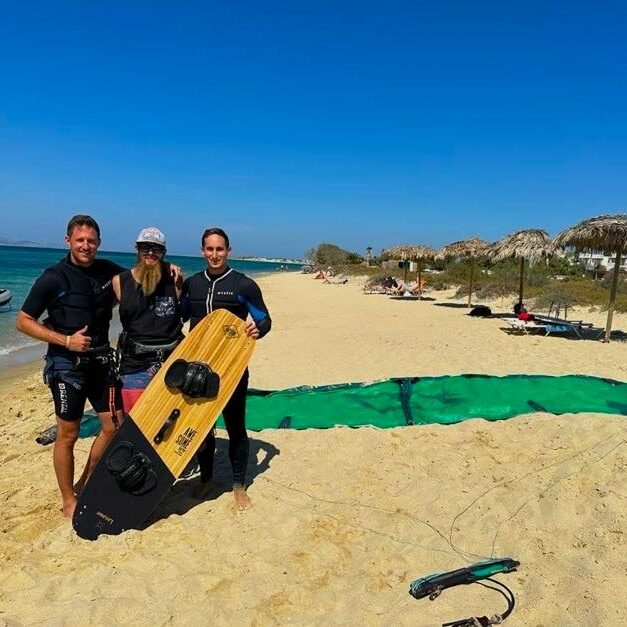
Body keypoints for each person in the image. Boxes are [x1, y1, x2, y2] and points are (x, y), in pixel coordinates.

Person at [16, 215, 125, 518]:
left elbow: (138, 279)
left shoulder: (108, 270)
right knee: (68, 434)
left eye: (91, 241)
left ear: (99, 243)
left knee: (113, 425)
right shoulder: (54, 277)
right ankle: (68, 499)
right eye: (80, 240)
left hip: (102, 362)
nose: (86, 246)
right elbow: (23, 321)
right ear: (68, 241)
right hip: (66, 365)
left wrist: (168, 269)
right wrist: (65, 340)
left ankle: (85, 482)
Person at [181, 227, 272, 509]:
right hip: (198, 370)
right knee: (201, 428)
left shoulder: (243, 284)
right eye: (209, 249)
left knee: (235, 428)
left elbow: (265, 319)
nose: (215, 254)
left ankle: (238, 485)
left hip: (232, 368)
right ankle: (206, 479)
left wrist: (259, 328)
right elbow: (178, 317)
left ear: (228, 251)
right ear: (202, 250)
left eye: (220, 249)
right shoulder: (192, 284)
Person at [113, 227, 184, 412]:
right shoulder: (119, 282)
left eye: (156, 248)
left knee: (171, 421)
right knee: (136, 424)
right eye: (145, 247)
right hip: (134, 366)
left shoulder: (175, 279)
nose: (151, 253)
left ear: (164, 252)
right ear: (136, 248)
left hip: (172, 363)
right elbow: (96, 313)